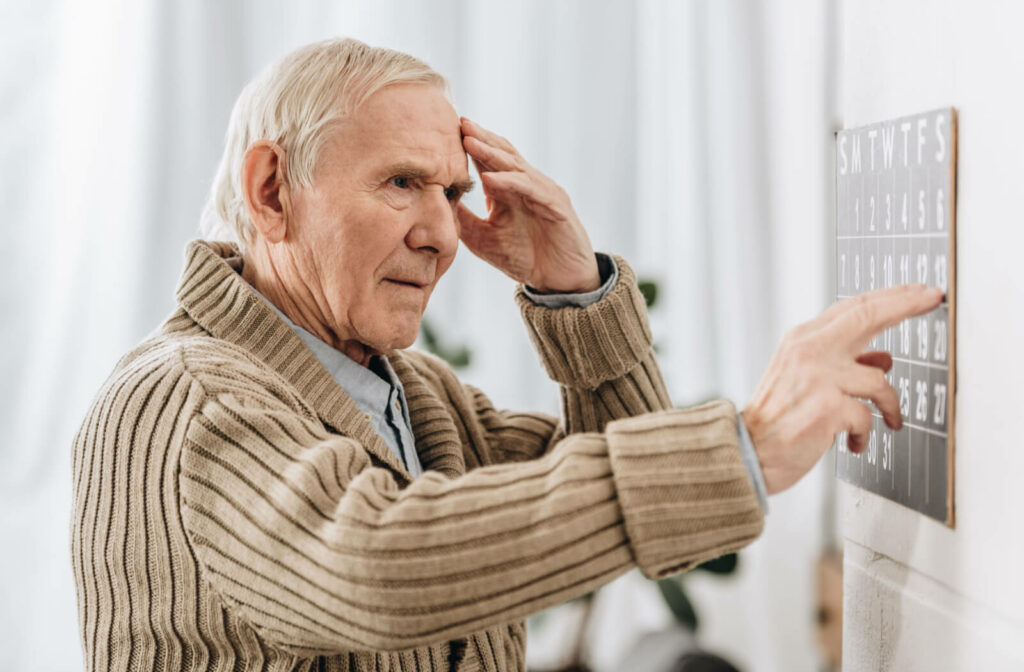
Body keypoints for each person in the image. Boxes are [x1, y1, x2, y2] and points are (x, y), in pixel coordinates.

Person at [70, 38, 943, 672]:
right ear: (271, 191)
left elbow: (649, 525)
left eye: (452, 191)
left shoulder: (415, 394)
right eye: (402, 182)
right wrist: (745, 444)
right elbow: (374, 562)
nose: (444, 234)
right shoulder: (178, 401)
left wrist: (574, 293)